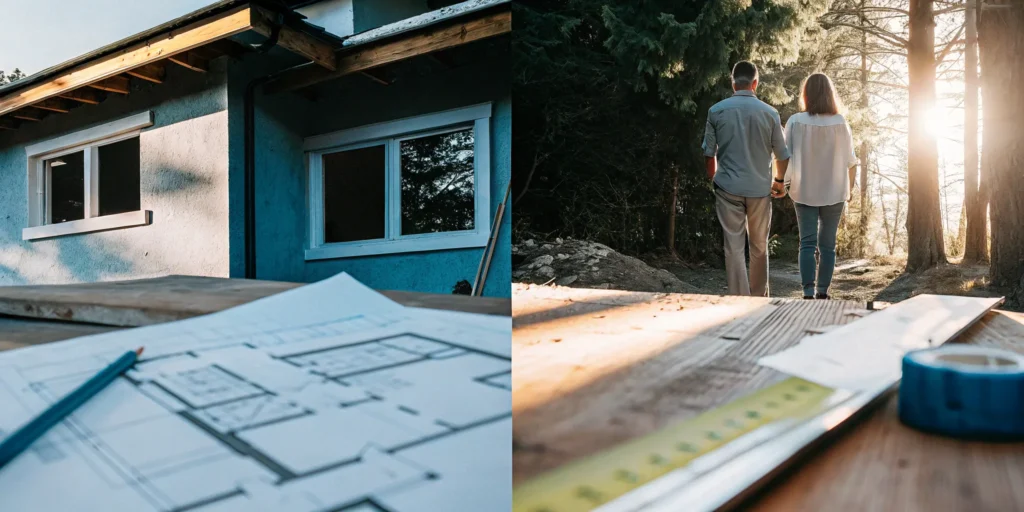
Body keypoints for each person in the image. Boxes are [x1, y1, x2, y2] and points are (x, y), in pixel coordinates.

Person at [702, 61, 790, 297]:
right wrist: (779, 181)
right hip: (760, 190)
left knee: (733, 247)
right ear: (755, 83)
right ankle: (759, 299)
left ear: (733, 83)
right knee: (759, 246)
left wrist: (714, 179)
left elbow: (709, 154)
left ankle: (738, 299)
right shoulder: (770, 113)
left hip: (728, 187)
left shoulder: (716, 111)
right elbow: (782, 154)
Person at [771, 73, 858, 299]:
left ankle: (808, 292)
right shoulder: (841, 123)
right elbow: (851, 161)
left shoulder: (795, 121)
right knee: (828, 245)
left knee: (807, 243)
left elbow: (784, 156)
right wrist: (850, 190)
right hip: (835, 191)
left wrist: (781, 183)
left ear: (806, 95)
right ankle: (823, 292)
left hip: (804, 189)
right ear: (830, 94)